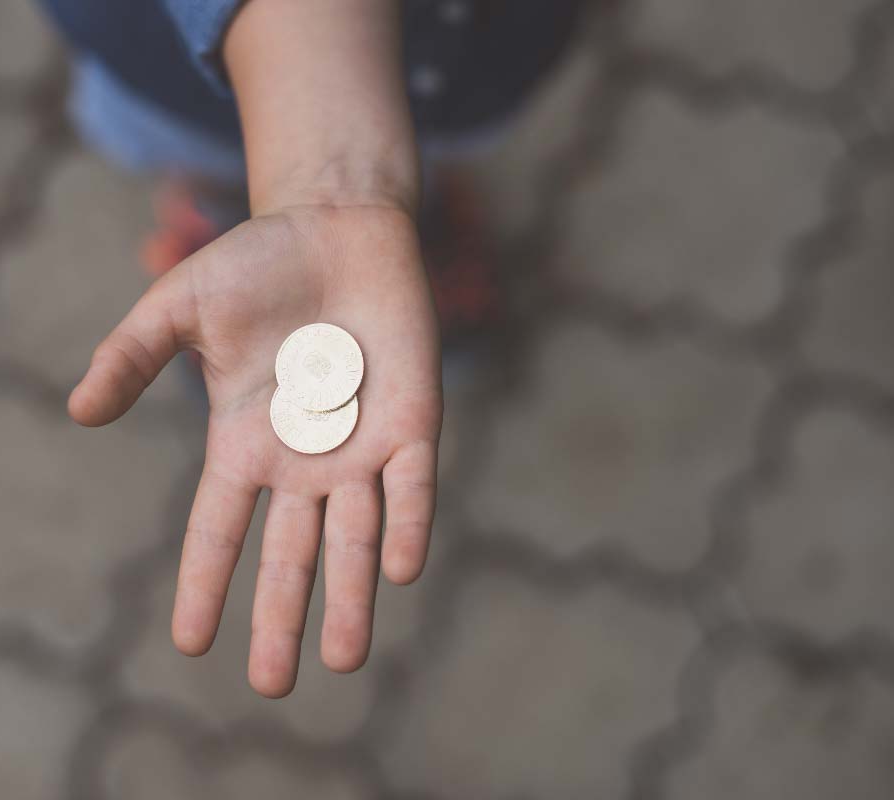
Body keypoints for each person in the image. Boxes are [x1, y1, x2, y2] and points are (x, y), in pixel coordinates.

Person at [38, 0, 580, 697]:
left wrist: (350, 189)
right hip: (172, 62)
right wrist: (328, 184)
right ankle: (236, 217)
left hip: (479, 45)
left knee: (435, 144)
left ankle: (407, 219)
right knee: (206, 152)